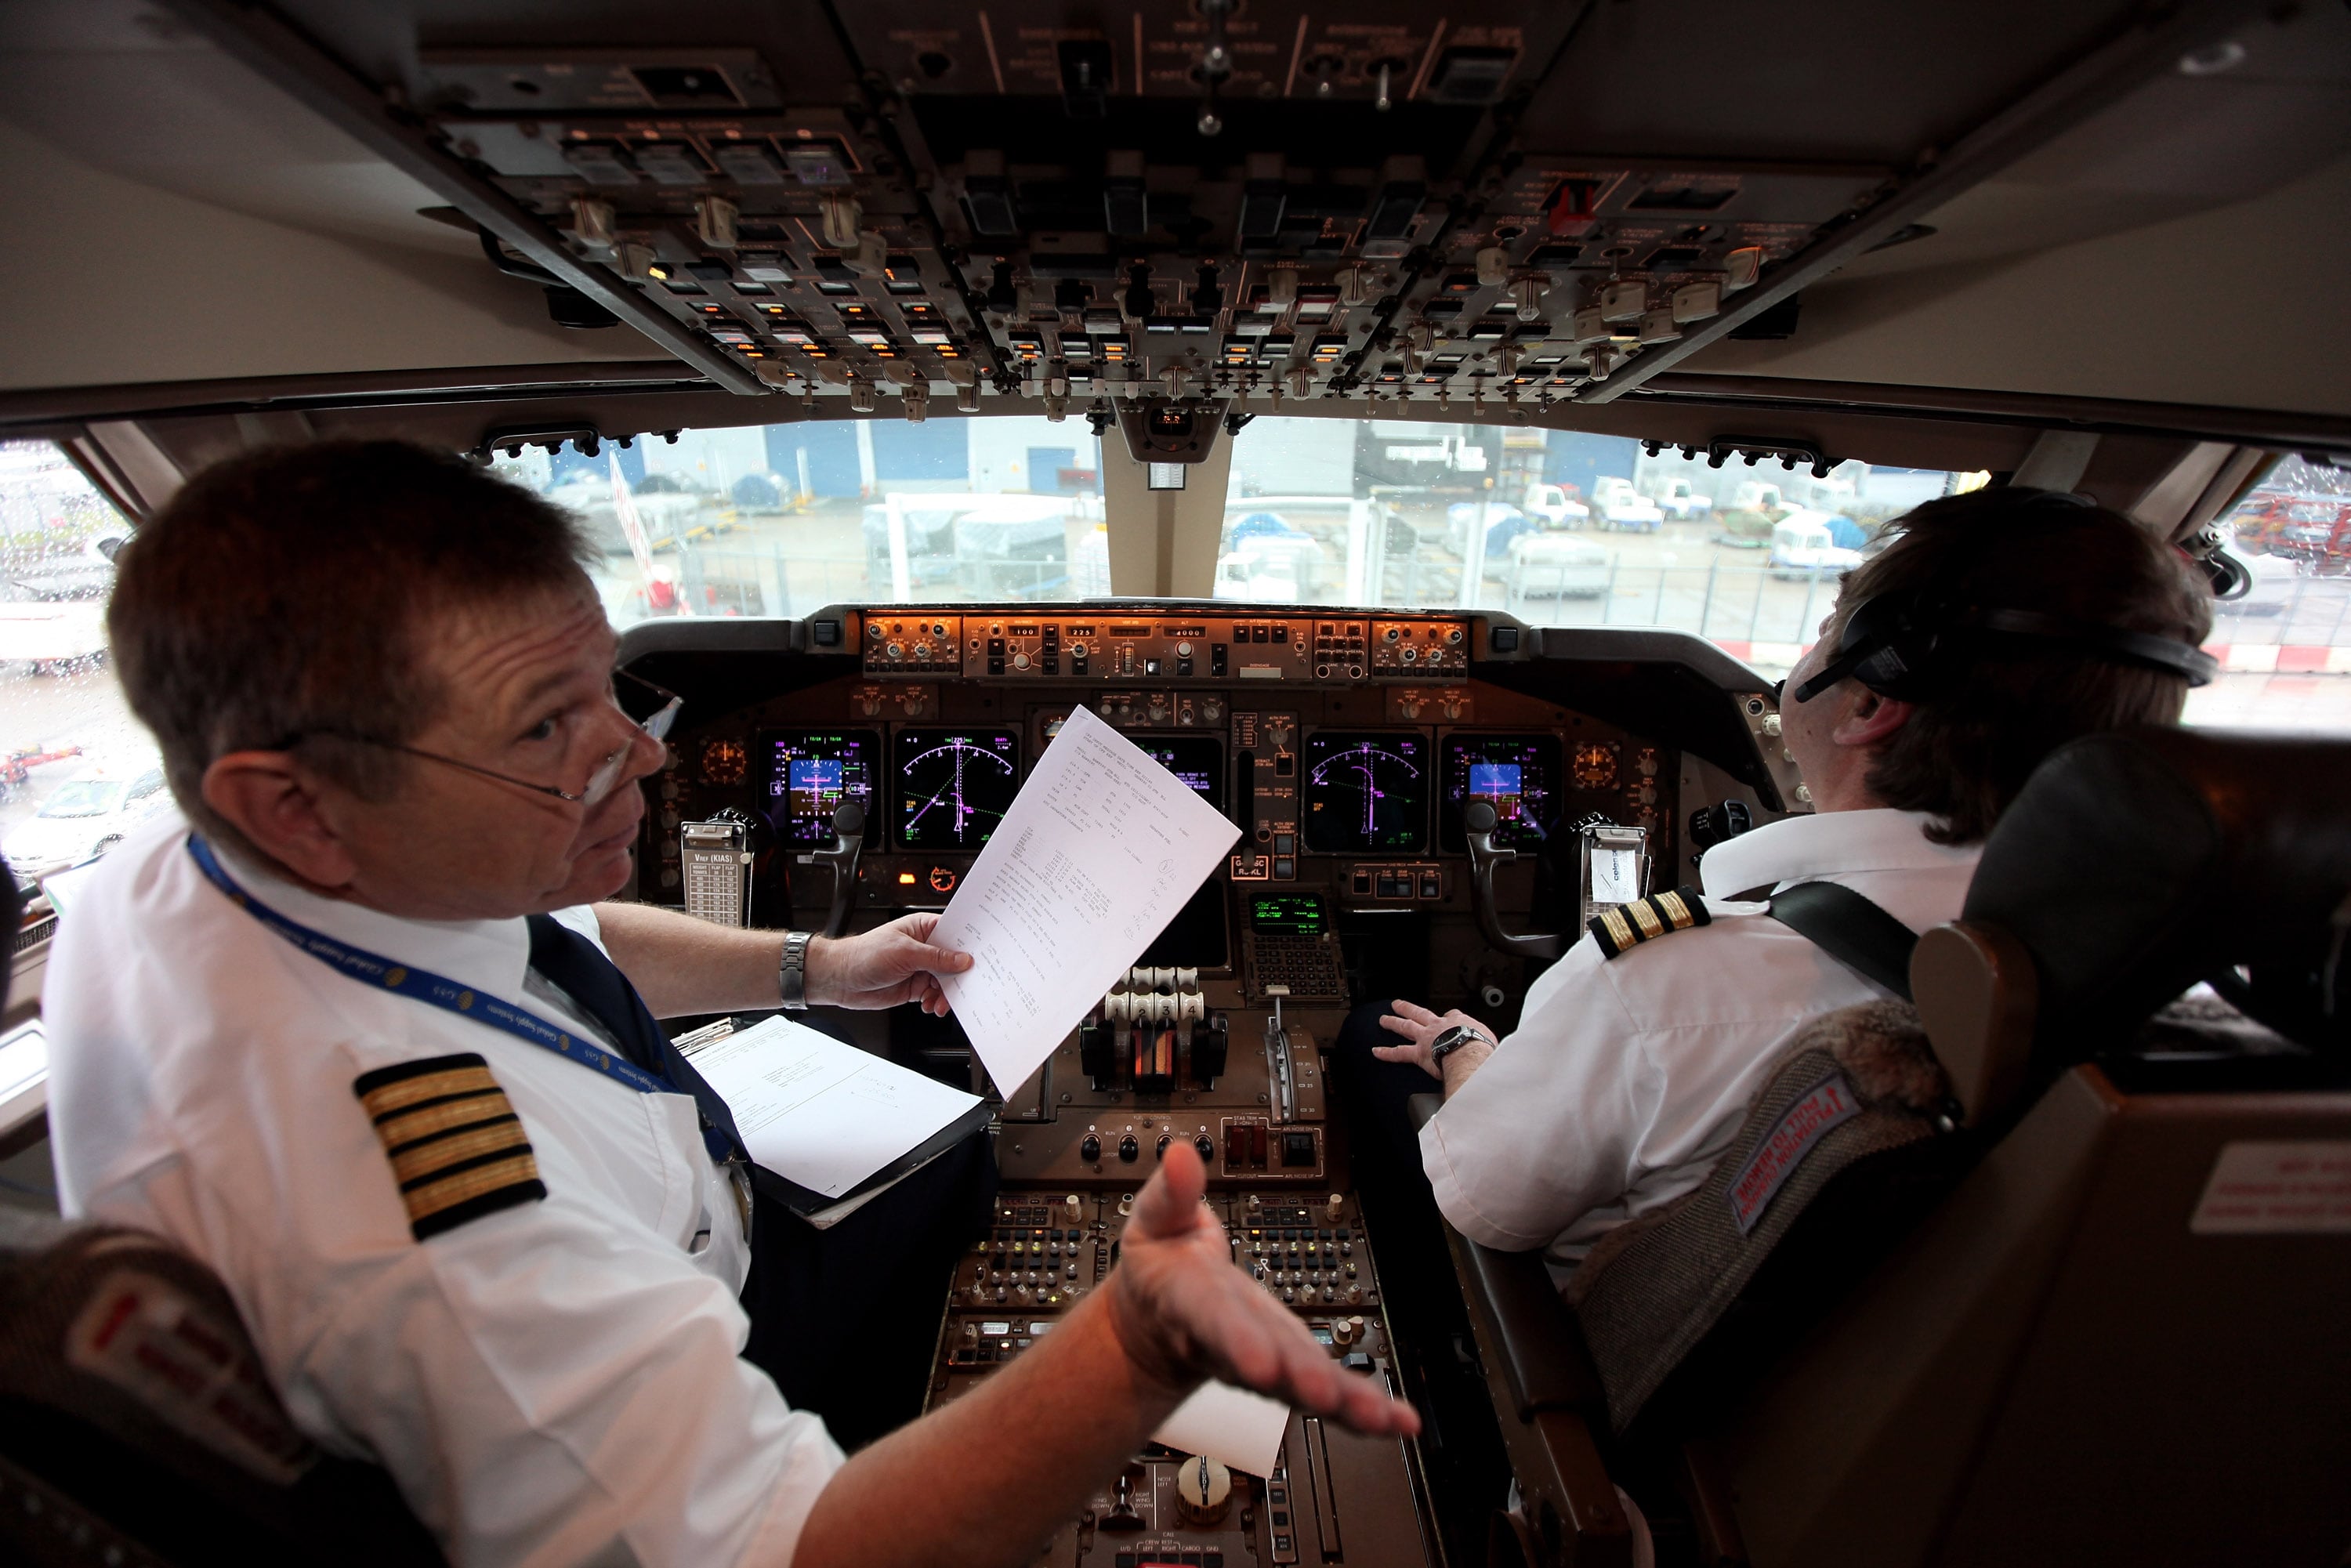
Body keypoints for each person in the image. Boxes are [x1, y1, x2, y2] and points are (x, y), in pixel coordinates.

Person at [46, 441, 1413, 1568]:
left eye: (609, 693)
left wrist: (817, 969)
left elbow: (570, 928)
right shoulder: (436, 1237)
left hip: (680, 1182)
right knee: (977, 1161)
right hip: (678, 1293)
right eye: (546, 731)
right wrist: (1132, 1345)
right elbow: (791, 1550)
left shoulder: (200, 869)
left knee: (944, 1164)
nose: (642, 754)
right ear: (291, 802)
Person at [1336, 486, 2214, 1294]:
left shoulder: (1671, 986)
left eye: (1834, 624)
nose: (1814, 646)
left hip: (1603, 1387)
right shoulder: (2166, 997)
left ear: (1872, 700)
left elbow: (1484, 1202)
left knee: (1375, 1030)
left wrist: (1468, 1052)